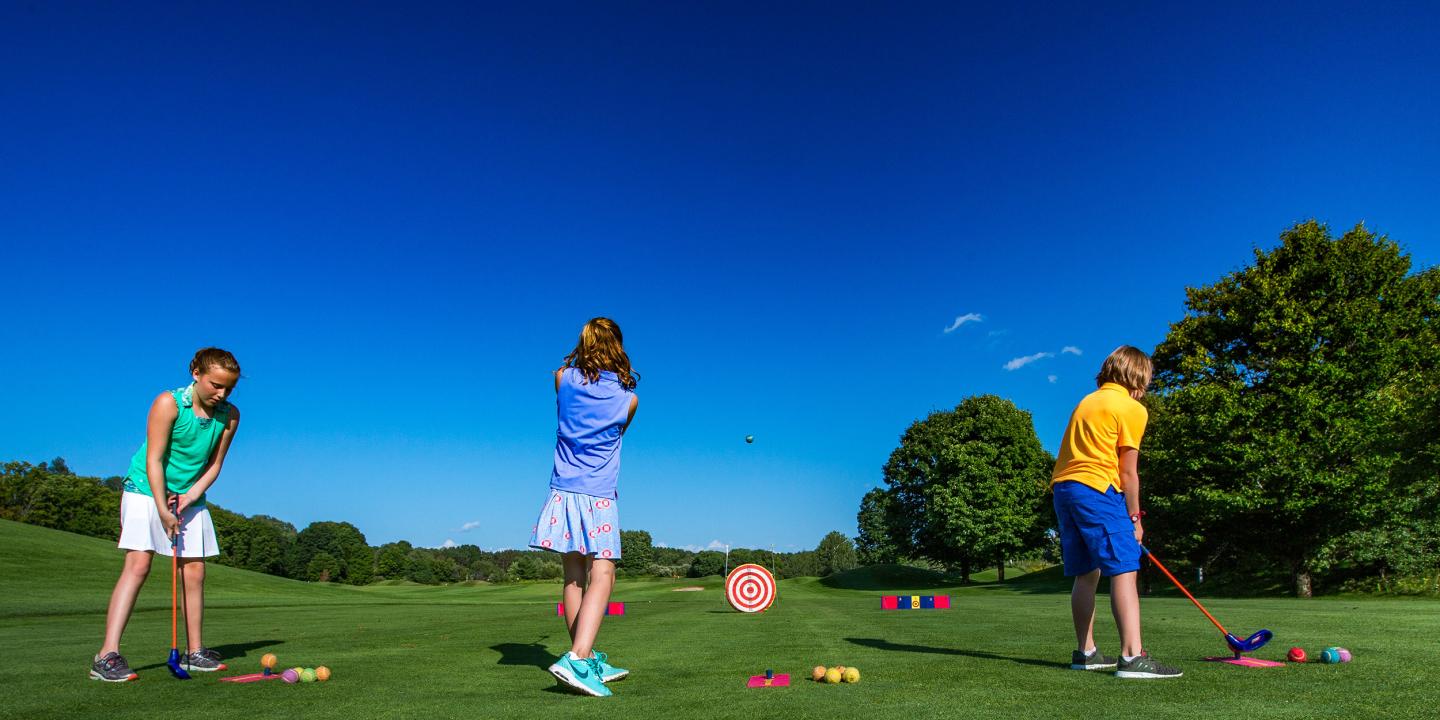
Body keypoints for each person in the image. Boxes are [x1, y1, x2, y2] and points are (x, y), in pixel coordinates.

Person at [90, 348, 242, 682]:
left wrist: (187, 498)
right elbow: (154, 459)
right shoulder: (168, 404)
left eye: (229, 388)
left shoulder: (230, 415)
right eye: (216, 385)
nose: (222, 394)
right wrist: (163, 508)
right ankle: (106, 655)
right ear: (196, 374)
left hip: (190, 494)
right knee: (139, 563)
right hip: (146, 489)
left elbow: (214, 466)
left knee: (195, 571)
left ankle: (195, 652)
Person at [1051, 345, 1181, 679]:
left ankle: (1086, 653)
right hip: (1097, 488)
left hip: (1064, 489)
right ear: (1139, 376)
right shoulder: (1132, 408)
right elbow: (1128, 473)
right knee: (1124, 567)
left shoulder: (1088, 400)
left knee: (1087, 572)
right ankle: (1132, 657)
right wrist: (1135, 519)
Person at [531, 318, 639, 697]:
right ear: (618, 347)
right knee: (603, 574)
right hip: (599, 495)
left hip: (562, 492)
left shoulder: (561, 377)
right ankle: (577, 660)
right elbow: (617, 432)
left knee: (574, 576)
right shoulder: (629, 399)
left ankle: (586, 655)